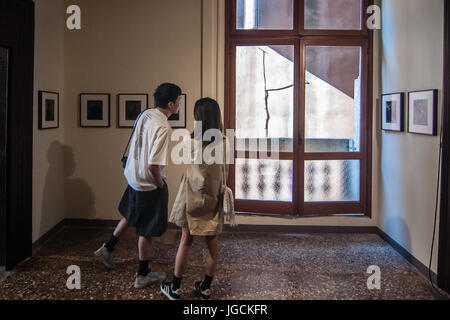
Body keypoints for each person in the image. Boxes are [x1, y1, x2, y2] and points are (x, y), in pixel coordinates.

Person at [94, 83, 182, 289]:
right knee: (146, 230)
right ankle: (142, 275)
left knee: (131, 214)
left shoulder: (146, 114)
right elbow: (153, 165)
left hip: (133, 175)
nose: (179, 104)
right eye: (178, 100)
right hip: (147, 182)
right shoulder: (163, 126)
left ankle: (107, 248)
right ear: (170, 104)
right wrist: (160, 184)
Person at [160, 97, 233, 300]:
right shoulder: (225, 143)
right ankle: (205, 287)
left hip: (192, 196)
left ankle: (174, 288)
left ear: (197, 118)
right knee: (212, 243)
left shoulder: (190, 142)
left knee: (186, 241)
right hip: (212, 198)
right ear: (216, 116)